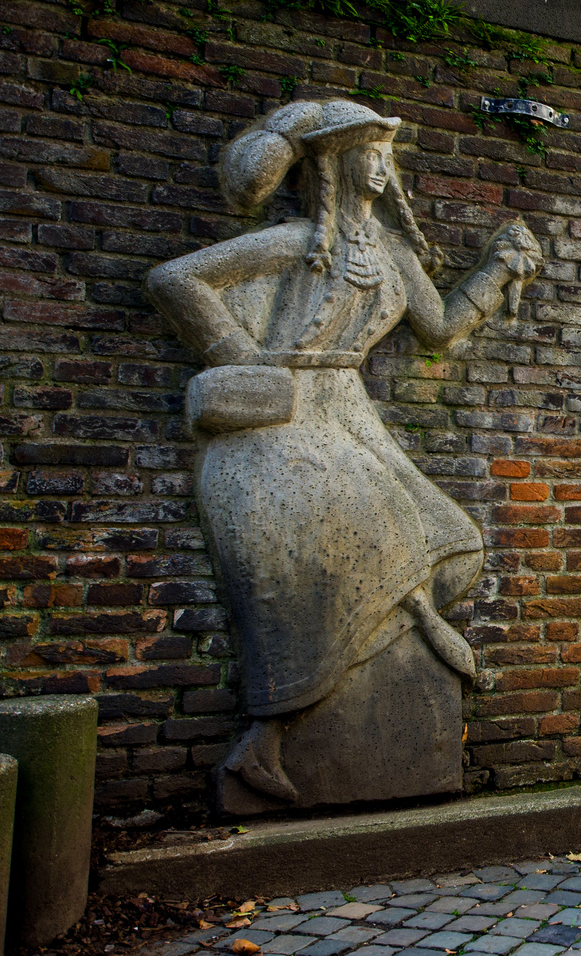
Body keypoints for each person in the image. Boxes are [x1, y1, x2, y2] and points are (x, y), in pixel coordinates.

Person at [146, 99, 542, 811]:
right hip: (278, 422)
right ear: (334, 164)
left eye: (391, 153)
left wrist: (496, 271)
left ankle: (400, 649)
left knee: (435, 529)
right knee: (344, 552)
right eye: (371, 150)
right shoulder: (297, 241)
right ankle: (269, 741)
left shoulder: (391, 253)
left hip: (348, 415)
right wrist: (243, 359)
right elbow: (176, 278)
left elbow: (441, 329)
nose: (384, 165)